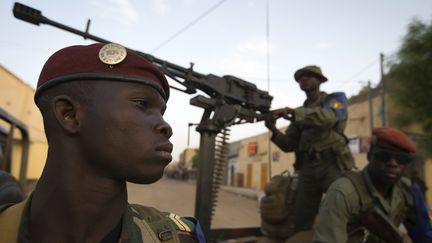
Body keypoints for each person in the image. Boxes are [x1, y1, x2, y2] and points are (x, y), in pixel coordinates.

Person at [0, 43, 205, 243]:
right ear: (69, 114)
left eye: (161, 113)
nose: (165, 126)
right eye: (142, 104)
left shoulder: (180, 237)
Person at [264, 65, 354, 233]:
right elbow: (289, 144)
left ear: (320, 81)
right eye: (300, 78)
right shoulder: (299, 113)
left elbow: (330, 117)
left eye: (309, 76)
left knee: (342, 208)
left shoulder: (335, 99)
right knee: (301, 216)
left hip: (332, 164)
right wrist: (274, 129)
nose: (304, 79)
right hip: (307, 168)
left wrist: (293, 113)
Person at [313, 127, 432, 243]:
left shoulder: (408, 191)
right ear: (369, 156)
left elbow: (424, 235)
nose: (393, 164)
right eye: (383, 156)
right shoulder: (342, 192)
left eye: (401, 159)